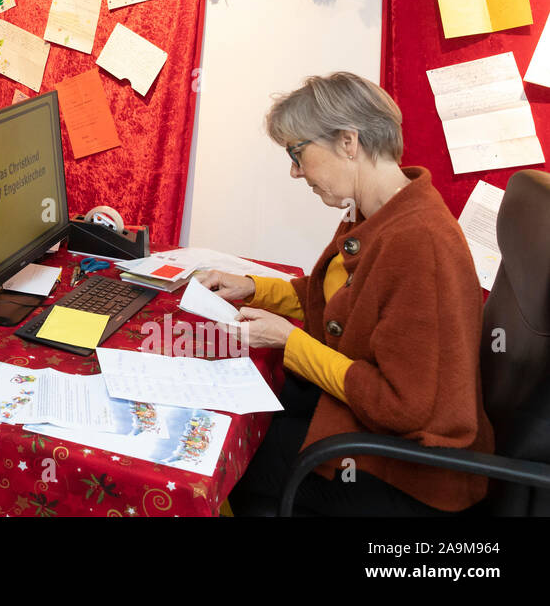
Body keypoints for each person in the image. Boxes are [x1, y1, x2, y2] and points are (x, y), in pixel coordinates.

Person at [206, 72, 494, 517]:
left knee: (234, 460)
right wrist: (254, 288)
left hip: (412, 474)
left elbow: (404, 409)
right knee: (242, 413)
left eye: (298, 153)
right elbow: (337, 299)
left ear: (347, 142)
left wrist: (291, 342)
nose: (294, 171)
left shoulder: (419, 240)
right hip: (374, 430)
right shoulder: (379, 211)